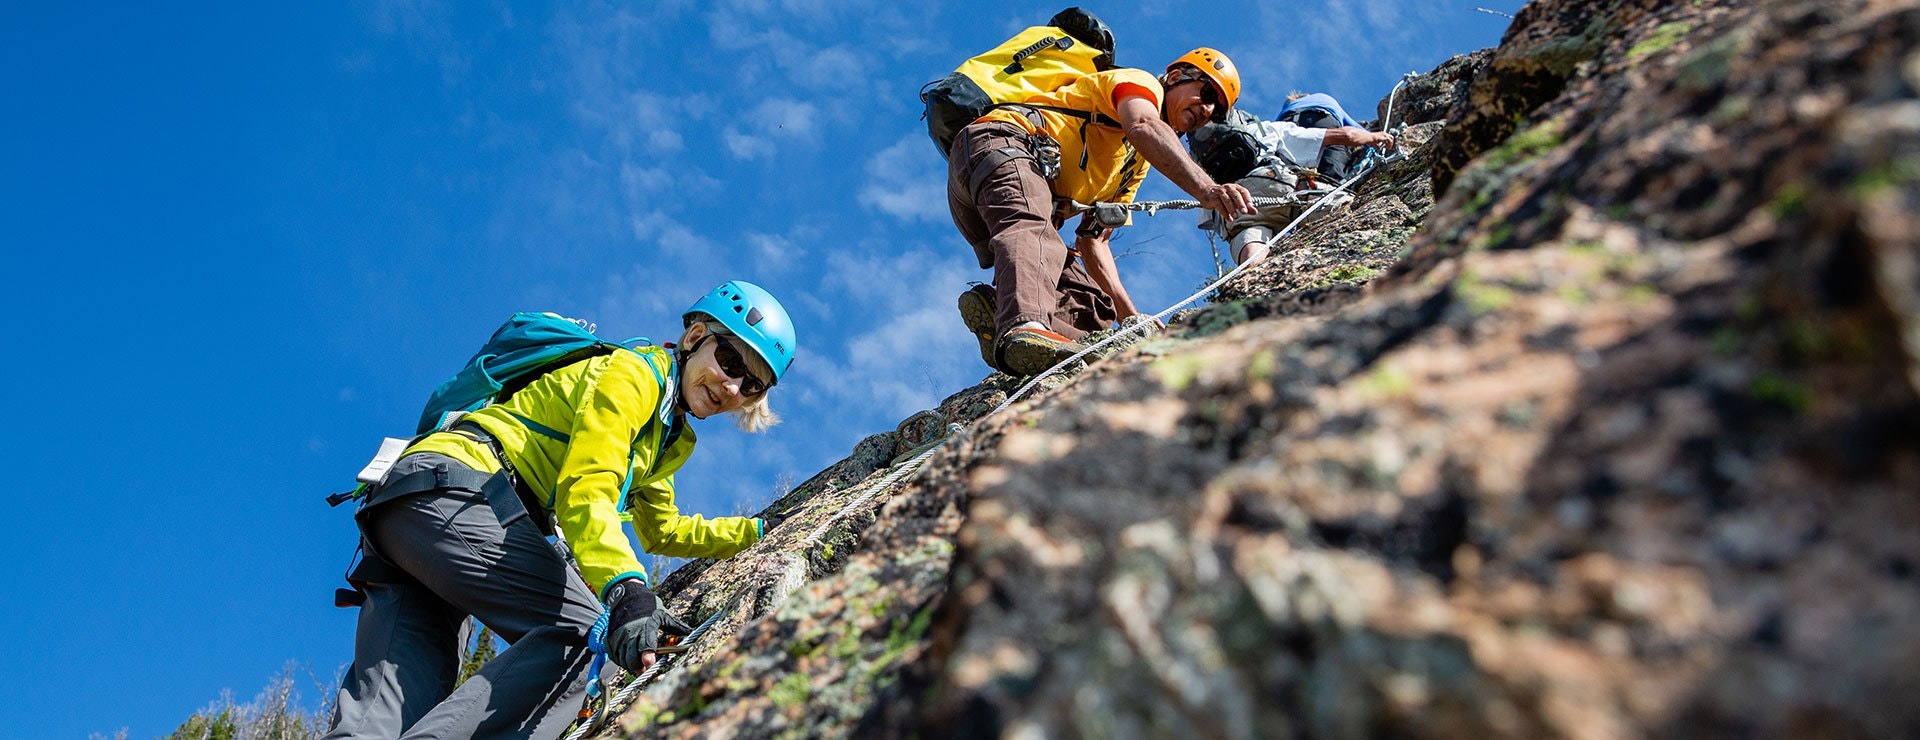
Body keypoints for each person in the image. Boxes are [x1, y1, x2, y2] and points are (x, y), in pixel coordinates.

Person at [325, 281, 796, 739]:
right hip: (462, 495)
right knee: (582, 639)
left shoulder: (666, 437)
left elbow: (662, 530)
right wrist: (625, 591)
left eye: (751, 384)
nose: (732, 386)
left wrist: (759, 531)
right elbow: (587, 485)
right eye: (731, 360)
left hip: (410, 507)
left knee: (380, 719)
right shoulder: (632, 376)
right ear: (695, 338)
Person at [949, 47, 1257, 376]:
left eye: (1216, 109)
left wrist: (1131, 318)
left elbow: (1094, 242)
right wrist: (1207, 189)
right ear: (1177, 77)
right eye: (1207, 92)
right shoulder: (1140, 84)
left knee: (1092, 302)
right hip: (1001, 145)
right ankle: (1025, 326)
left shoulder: (1132, 168)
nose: (1207, 109)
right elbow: (1143, 124)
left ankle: (1036, 341)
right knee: (1036, 234)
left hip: (994, 196)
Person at [1186, 94, 1399, 266]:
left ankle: (1253, 276)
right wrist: (1374, 137)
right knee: (1349, 207)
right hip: (1275, 185)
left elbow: (1207, 220)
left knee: (1250, 246)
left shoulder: (1199, 164)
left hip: (1233, 206)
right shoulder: (1265, 129)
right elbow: (1343, 136)